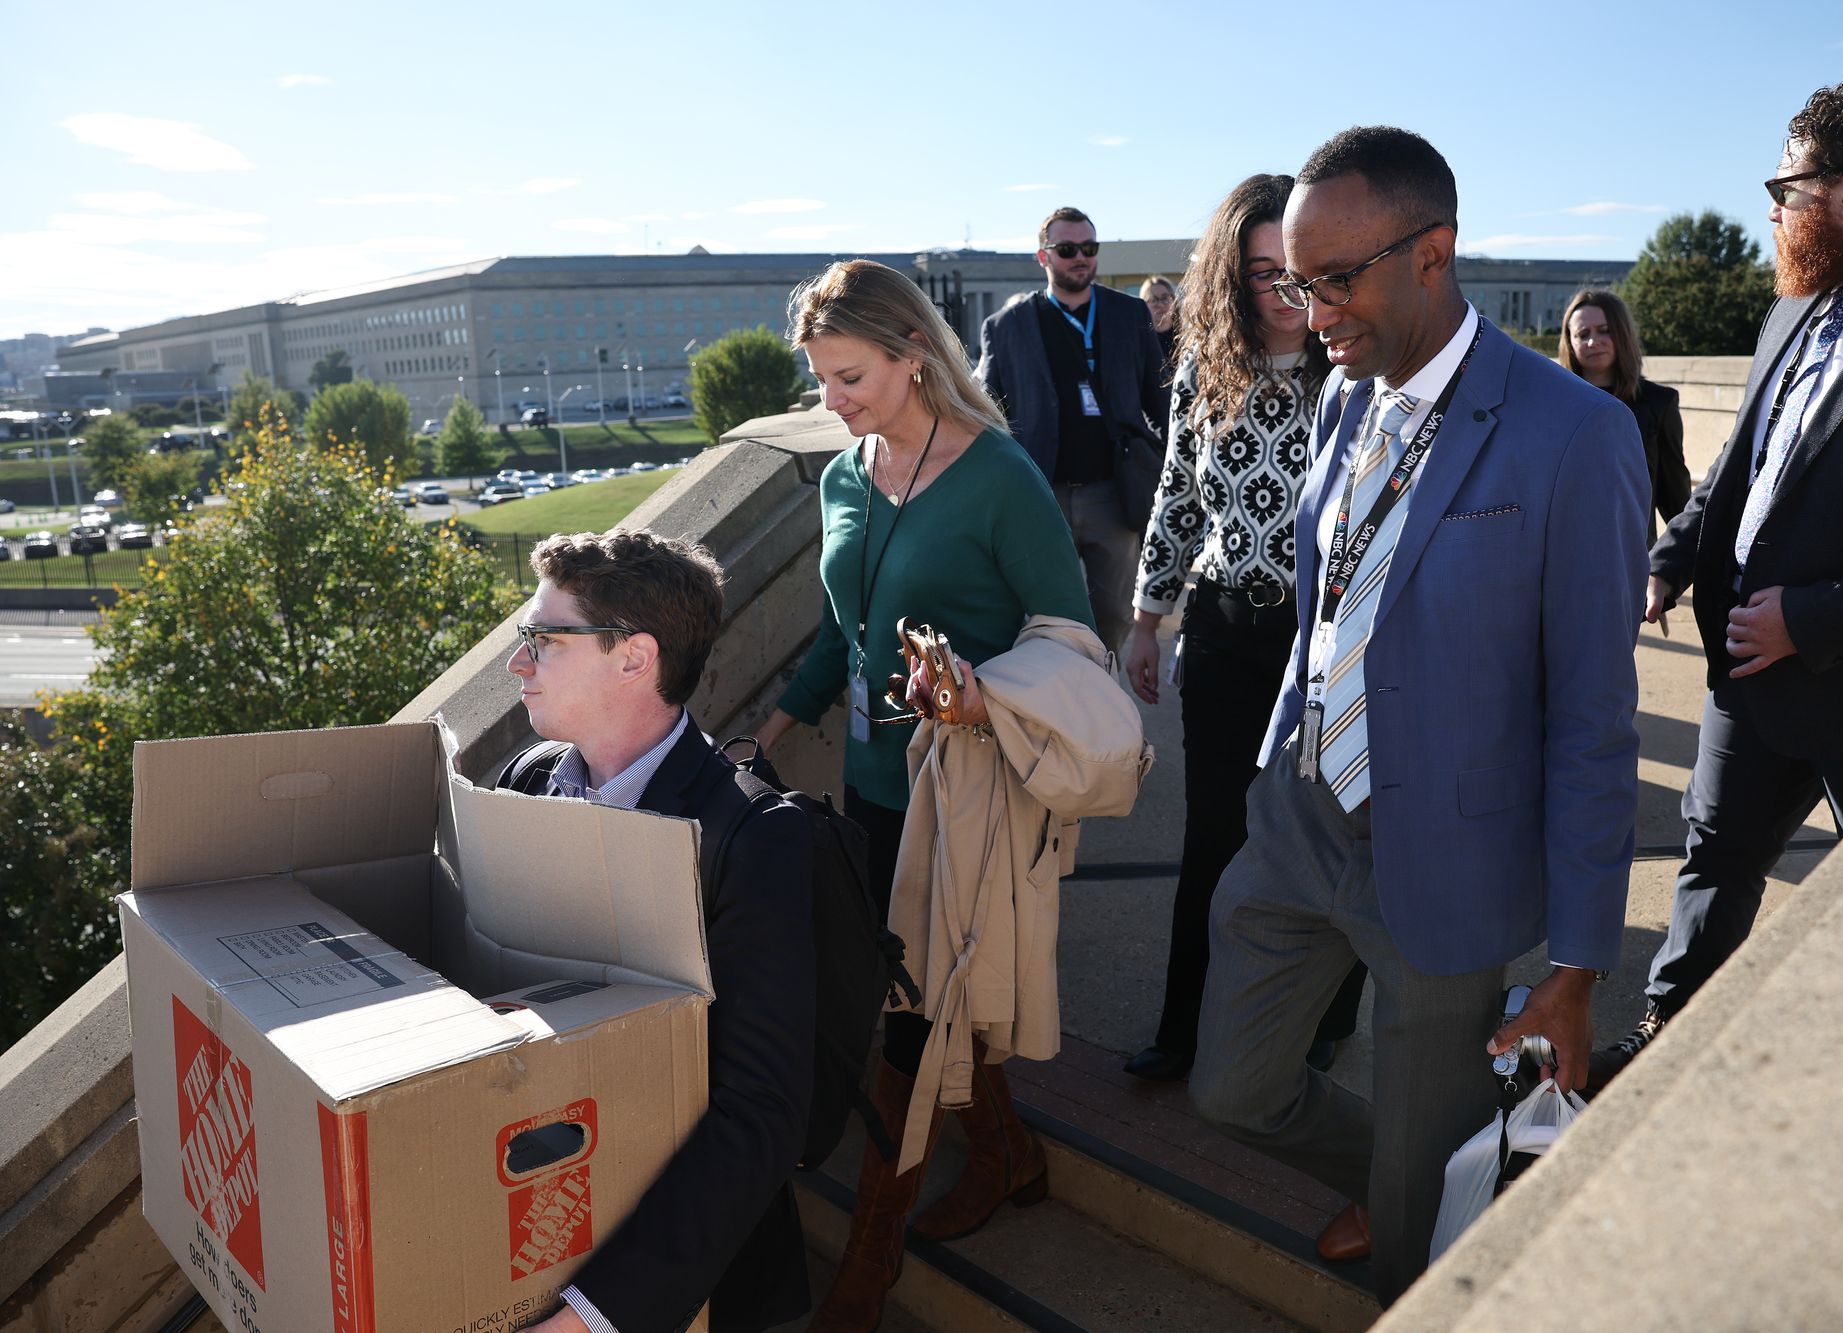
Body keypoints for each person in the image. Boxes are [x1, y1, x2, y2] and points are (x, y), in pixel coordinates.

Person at [1187, 126, 1647, 1304]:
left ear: (1432, 253)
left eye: (1334, 279)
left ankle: (1417, 1202)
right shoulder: (1346, 395)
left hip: (1446, 858)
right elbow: (1324, 604)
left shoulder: (1574, 434)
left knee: (1409, 1241)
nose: (1306, 309)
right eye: (1294, 280)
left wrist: (1580, 963)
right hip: (1296, 824)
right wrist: (1274, 763)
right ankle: (1407, 1167)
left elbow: (1594, 715)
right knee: (1227, 1092)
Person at [1593, 71, 1843, 1086]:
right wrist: (1669, 560)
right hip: (1749, 678)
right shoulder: (1797, 308)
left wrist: (1810, 621)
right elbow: (1741, 473)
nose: (1774, 211)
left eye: (1787, 189)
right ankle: (1662, 1049)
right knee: (1712, 863)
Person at [750, 259, 1095, 1333]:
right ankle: (1006, 1153)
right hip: (871, 788)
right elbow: (841, 637)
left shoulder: (999, 479)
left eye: (849, 376)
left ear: (913, 356)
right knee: (928, 989)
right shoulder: (843, 476)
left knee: (906, 1026)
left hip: (969, 791)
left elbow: (1070, 646)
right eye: (819, 380)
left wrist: (974, 696)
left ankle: (869, 1258)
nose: (832, 402)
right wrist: (761, 735)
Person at [502, 530, 816, 1333]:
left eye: (541, 638)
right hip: (538, 1216)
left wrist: (589, 1319)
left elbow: (758, 1119)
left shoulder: (752, 839)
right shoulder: (528, 779)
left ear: (634, 657)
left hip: (685, 1284)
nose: (518, 661)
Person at [1119, 173, 1366, 1084]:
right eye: (1263, 271)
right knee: (1215, 835)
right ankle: (1183, 1030)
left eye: (1296, 269)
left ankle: (1321, 1027)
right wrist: (1148, 620)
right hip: (1224, 628)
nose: (1285, 291)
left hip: (1329, 635)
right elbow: (1177, 497)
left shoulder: (1353, 366)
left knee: (1327, 833)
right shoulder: (1203, 366)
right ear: (1231, 276)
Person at [975, 206, 1169, 657]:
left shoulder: (1129, 314)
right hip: (1042, 495)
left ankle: (1104, 708)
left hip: (1114, 494)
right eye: (1067, 250)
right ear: (1043, 258)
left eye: (1088, 248)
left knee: (1115, 615)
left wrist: (1165, 469)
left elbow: (1162, 402)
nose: (1080, 258)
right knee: (1046, 619)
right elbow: (986, 415)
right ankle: (1058, 710)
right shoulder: (1007, 326)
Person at [1557, 288, 1692, 541]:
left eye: (1604, 330)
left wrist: (1672, 567)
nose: (1592, 341)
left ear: (1622, 333)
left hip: (1632, 556)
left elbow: (1676, 500)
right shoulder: (1553, 406)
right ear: (1570, 342)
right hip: (1564, 554)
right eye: (1582, 334)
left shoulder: (1659, 403)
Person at [1141, 274, 1182, 373]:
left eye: (1165, 298)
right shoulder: (1140, 341)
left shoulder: (1186, 338)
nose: (1159, 304)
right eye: (1153, 300)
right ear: (1144, 304)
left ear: (1174, 301)